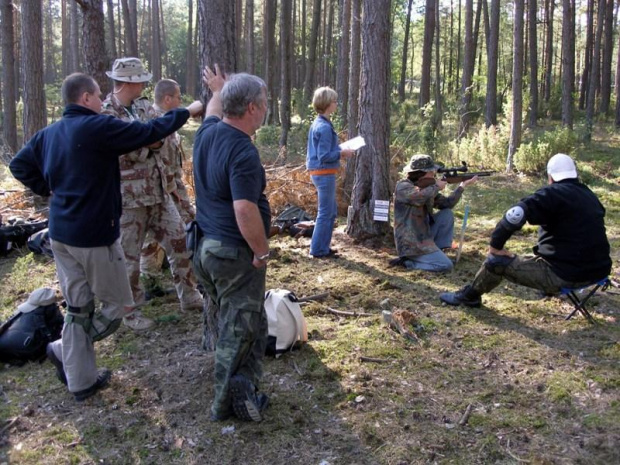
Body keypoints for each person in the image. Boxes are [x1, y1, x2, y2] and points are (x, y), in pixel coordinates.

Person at [9, 72, 202, 401]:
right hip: (94, 236)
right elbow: (149, 131)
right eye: (98, 95)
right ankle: (61, 348)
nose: (102, 100)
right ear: (85, 98)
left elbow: (19, 165)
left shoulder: (50, 133)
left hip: (60, 234)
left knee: (78, 308)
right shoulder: (97, 127)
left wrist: (49, 189)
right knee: (119, 307)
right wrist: (190, 110)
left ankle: (81, 381)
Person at [192, 65, 271, 422]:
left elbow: (211, 112)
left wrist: (217, 90)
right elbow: (244, 209)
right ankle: (224, 405)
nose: (267, 107)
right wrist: (261, 251)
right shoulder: (243, 151)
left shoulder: (207, 133)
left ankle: (246, 385)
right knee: (236, 331)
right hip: (232, 253)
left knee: (251, 321)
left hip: (206, 249)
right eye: (265, 102)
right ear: (252, 107)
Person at [102, 58, 203, 331]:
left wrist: (147, 141)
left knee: (179, 240)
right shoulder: (107, 114)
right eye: (140, 80)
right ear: (128, 82)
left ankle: (190, 295)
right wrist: (149, 142)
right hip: (129, 199)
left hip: (159, 193)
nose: (145, 84)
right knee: (128, 258)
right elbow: (128, 150)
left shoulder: (145, 106)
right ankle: (130, 312)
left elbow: (162, 136)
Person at [440, 153, 612, 307]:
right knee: (541, 253)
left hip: (566, 275)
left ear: (550, 176)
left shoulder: (551, 194)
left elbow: (515, 214)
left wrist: (496, 245)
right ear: (574, 174)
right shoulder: (589, 195)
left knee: (496, 262)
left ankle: (470, 296)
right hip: (598, 271)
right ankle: (549, 289)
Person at [140, 79, 196, 282]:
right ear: (167, 98)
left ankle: (182, 276)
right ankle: (150, 281)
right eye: (179, 97)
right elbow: (160, 163)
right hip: (158, 190)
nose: (181, 101)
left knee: (183, 228)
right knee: (152, 238)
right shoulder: (155, 123)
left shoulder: (167, 122)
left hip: (172, 187)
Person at [394, 154, 477, 272]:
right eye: (431, 171)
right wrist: (436, 186)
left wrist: (462, 186)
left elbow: (447, 204)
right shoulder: (403, 186)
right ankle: (409, 264)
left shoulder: (428, 189)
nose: (434, 173)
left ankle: (439, 250)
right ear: (421, 173)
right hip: (411, 243)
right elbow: (418, 197)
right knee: (446, 266)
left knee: (446, 214)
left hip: (425, 236)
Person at [306, 87, 354, 258]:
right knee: (326, 212)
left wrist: (339, 149)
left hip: (322, 172)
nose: (336, 104)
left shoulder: (320, 123)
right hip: (323, 172)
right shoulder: (324, 127)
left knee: (330, 211)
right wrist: (342, 153)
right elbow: (324, 156)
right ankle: (318, 249)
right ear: (327, 104)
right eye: (334, 101)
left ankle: (322, 247)